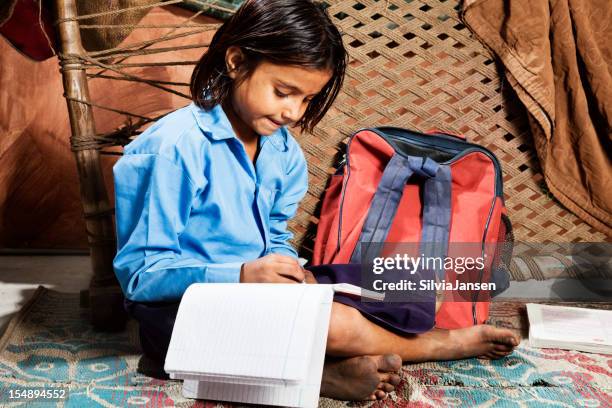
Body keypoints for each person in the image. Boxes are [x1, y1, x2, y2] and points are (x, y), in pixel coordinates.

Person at [113, 0, 519, 402]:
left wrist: (291, 271)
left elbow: (272, 235)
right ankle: (434, 346)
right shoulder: (172, 150)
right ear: (236, 62)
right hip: (183, 306)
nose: (293, 111)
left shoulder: (282, 151)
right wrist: (240, 275)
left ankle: (311, 366)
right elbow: (140, 277)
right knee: (331, 323)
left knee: (408, 282)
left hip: (261, 289)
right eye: (283, 92)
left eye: (307, 99)